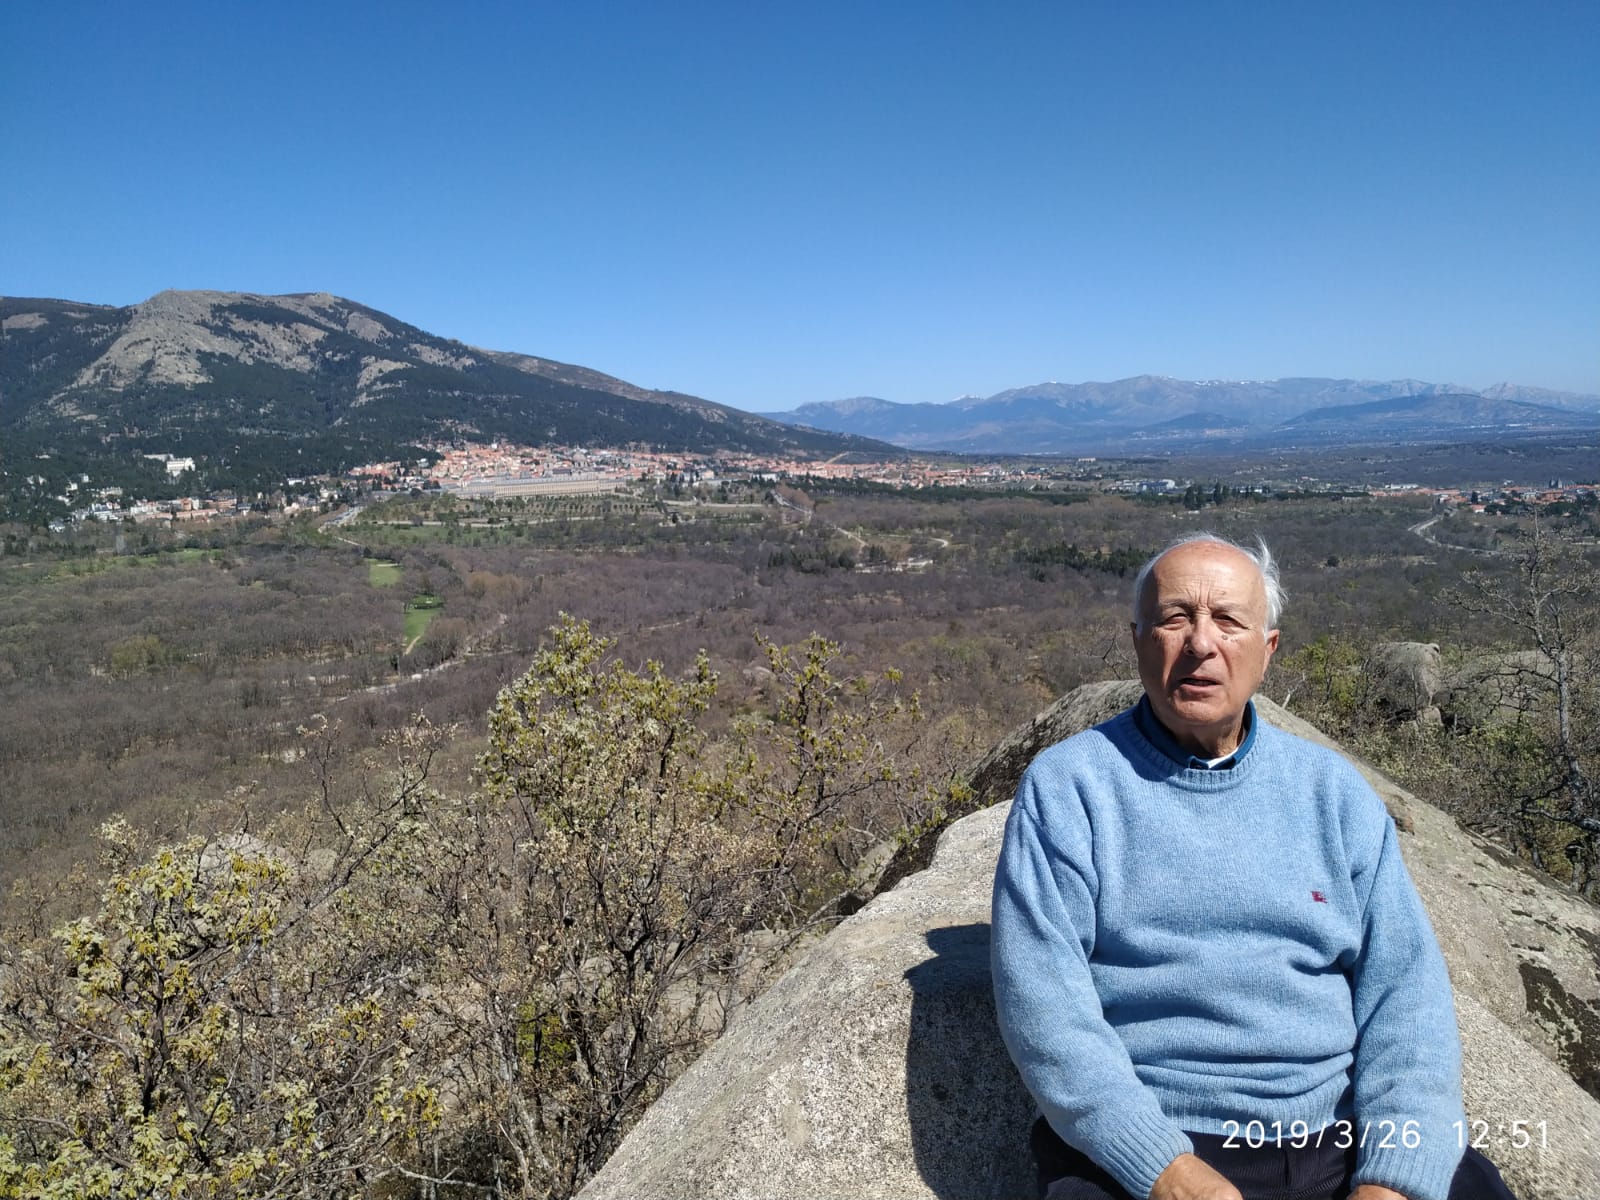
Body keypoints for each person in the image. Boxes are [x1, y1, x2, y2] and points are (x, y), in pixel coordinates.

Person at [991, 533, 1516, 1200]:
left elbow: (1406, 994)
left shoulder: (1330, 790)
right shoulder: (1070, 789)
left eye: (1229, 621)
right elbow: (1044, 1006)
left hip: (1335, 1136)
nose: (1201, 644)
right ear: (1138, 640)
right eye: (1176, 617)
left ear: (1266, 651)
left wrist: (1392, 1177)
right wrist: (1166, 1171)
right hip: (1158, 1144)